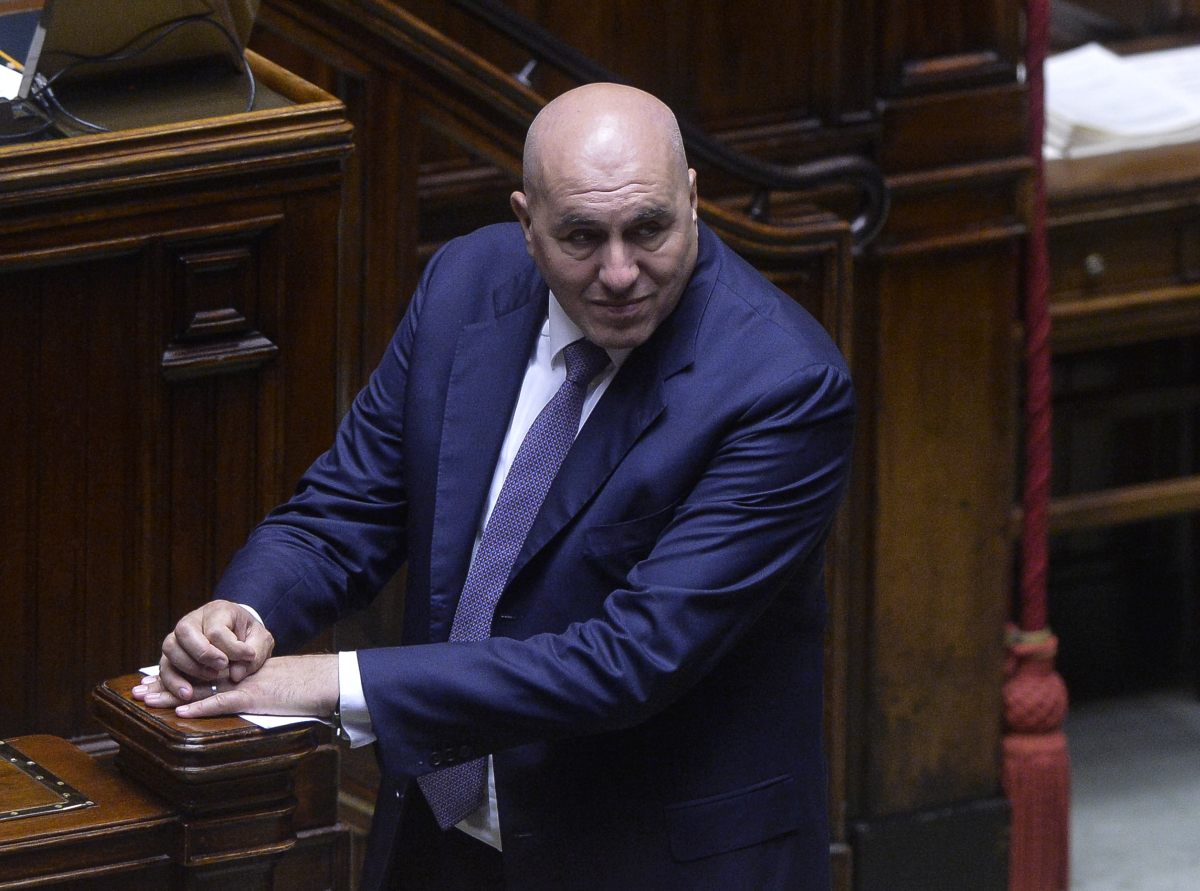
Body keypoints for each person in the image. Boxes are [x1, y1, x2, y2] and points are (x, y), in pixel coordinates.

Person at [133, 82, 854, 891]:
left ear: (691, 199)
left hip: (652, 858)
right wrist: (244, 618)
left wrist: (328, 682)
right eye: (582, 237)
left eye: (648, 228)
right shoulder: (465, 285)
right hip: (441, 838)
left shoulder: (782, 385)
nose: (621, 271)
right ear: (526, 224)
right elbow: (344, 511)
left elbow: (632, 658)